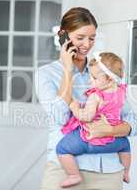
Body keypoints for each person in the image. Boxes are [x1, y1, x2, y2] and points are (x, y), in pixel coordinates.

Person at [35, 7, 137, 190]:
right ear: (63, 36)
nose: (87, 44)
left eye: (91, 38)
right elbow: (59, 118)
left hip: (108, 172)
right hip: (65, 171)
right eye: (80, 38)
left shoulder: (104, 72)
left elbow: (132, 121)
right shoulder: (46, 74)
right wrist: (67, 69)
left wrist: (109, 130)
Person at [56, 52, 131, 188]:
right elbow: (126, 115)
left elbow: (86, 117)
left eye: (94, 78)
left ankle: (73, 175)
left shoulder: (96, 96)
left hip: (90, 139)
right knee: (126, 146)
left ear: (109, 79)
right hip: (114, 141)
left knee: (62, 148)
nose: (91, 80)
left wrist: (75, 107)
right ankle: (125, 172)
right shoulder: (121, 92)